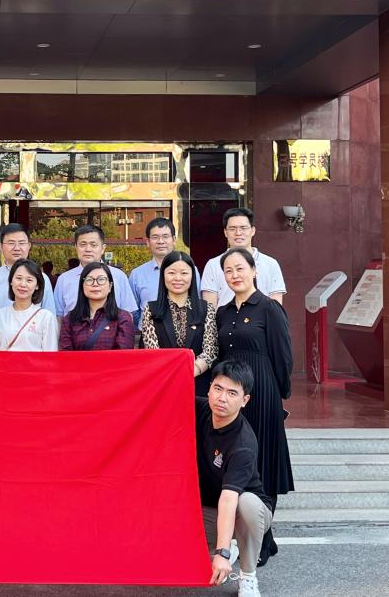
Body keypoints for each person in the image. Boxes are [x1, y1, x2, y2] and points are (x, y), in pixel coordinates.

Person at [215, 247, 293, 568]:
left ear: (254, 271)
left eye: (240, 268)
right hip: (232, 399)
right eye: (229, 270)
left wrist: (279, 396)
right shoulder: (222, 313)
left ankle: (261, 539)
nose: (235, 275)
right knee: (239, 463)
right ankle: (255, 538)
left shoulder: (269, 308)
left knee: (263, 465)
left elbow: (283, 356)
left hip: (262, 396)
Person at [196, 359, 273, 597]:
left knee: (246, 503)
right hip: (206, 509)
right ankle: (226, 541)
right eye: (218, 389)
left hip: (243, 510)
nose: (222, 398)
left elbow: (229, 499)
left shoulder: (243, 444)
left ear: (244, 400)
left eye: (232, 393)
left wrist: (222, 554)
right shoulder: (201, 409)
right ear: (209, 389)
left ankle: (248, 576)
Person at [139, 251, 218, 396]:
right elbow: (152, 351)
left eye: (184, 273)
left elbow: (210, 350)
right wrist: (174, 373)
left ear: (192, 276)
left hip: (198, 384)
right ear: (163, 275)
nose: (177, 278)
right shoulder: (151, 309)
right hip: (163, 383)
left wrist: (191, 371)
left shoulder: (206, 309)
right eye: (171, 273)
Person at [201, 208, 286, 308]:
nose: (238, 233)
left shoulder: (270, 264)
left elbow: (276, 307)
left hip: (262, 318)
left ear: (253, 230)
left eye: (243, 228)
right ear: (225, 232)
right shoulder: (213, 264)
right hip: (225, 318)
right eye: (232, 229)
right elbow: (210, 308)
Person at [52, 225, 138, 316]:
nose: (88, 249)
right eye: (83, 245)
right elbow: (58, 316)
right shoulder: (64, 279)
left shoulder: (118, 276)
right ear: (76, 247)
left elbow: (128, 314)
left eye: (93, 245)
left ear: (103, 248)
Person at [0, 223, 57, 314]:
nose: (17, 248)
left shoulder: (41, 278)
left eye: (21, 243)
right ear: (1, 246)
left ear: (29, 246)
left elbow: (50, 315)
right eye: (11, 243)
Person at [0, 259, 59, 351]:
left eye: (29, 280)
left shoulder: (46, 317)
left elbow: (50, 355)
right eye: (18, 278)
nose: (23, 284)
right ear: (11, 281)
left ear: (37, 285)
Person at [128, 217, 200, 317]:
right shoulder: (137, 274)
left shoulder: (190, 270)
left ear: (174, 240)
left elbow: (197, 302)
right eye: (155, 237)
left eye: (165, 236)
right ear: (148, 242)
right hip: (148, 326)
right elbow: (133, 312)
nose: (160, 241)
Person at [59, 261, 135, 350]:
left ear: (110, 286)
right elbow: (66, 355)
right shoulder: (70, 319)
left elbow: (124, 355)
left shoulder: (123, 318)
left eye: (101, 279)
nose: (95, 284)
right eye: (89, 280)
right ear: (82, 286)